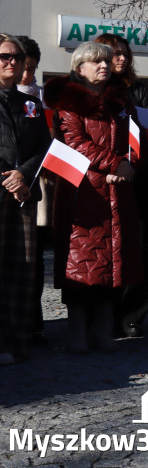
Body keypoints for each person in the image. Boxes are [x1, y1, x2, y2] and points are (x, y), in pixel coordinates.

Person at [43, 42, 142, 353]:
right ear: (80, 68)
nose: (104, 66)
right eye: (96, 61)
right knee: (81, 262)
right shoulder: (69, 103)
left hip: (117, 191)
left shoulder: (120, 100)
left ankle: (102, 330)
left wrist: (129, 166)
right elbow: (75, 142)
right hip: (83, 192)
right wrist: (114, 164)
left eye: (107, 61)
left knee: (111, 263)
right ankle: (77, 333)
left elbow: (137, 138)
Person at [95, 33, 148, 338]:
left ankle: (132, 315)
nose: (121, 59)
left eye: (124, 54)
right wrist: (111, 166)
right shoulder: (92, 90)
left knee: (135, 248)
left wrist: (132, 165)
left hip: (134, 180)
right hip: (102, 182)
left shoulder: (138, 91)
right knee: (105, 249)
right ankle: (104, 314)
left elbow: (143, 134)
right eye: (114, 53)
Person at [0, 34, 50, 364]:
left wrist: (24, 174)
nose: (12, 62)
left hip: (24, 194)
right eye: (5, 56)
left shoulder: (30, 103)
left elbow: (44, 146)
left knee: (22, 269)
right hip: (4, 187)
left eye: (17, 57)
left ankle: (17, 342)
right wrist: (8, 177)